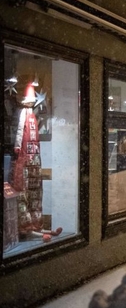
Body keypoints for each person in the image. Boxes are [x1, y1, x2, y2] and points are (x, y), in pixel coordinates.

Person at [12, 84, 61, 242]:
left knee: (36, 192)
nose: (31, 103)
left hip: (34, 159)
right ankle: (27, 227)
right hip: (25, 158)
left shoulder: (32, 115)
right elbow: (20, 130)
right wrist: (18, 146)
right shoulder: (24, 114)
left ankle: (37, 225)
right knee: (23, 192)